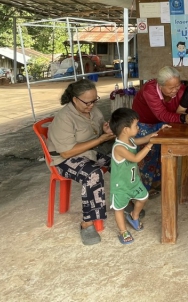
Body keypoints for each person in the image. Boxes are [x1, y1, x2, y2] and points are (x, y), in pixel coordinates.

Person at [47, 79, 114, 245]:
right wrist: (100, 140)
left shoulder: (94, 111)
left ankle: (123, 200)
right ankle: (87, 223)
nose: (91, 105)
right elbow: (66, 152)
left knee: (118, 161)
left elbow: (98, 131)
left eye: (94, 100)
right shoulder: (64, 118)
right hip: (64, 159)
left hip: (88, 152)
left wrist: (105, 131)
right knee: (93, 174)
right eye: (87, 102)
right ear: (75, 99)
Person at [132, 66, 188, 192]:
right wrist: (182, 117)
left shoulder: (181, 89)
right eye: (171, 88)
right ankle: (145, 188)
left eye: (177, 85)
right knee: (148, 155)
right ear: (160, 85)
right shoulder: (149, 90)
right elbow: (161, 114)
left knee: (162, 153)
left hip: (164, 122)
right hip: (145, 122)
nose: (175, 90)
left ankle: (158, 183)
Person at [108, 108, 169, 245]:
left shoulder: (130, 140)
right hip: (121, 185)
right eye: (136, 125)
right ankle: (123, 231)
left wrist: (158, 132)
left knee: (143, 197)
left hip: (133, 181)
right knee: (119, 208)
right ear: (125, 129)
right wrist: (150, 145)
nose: (138, 127)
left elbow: (144, 139)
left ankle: (133, 216)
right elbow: (135, 158)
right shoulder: (119, 147)